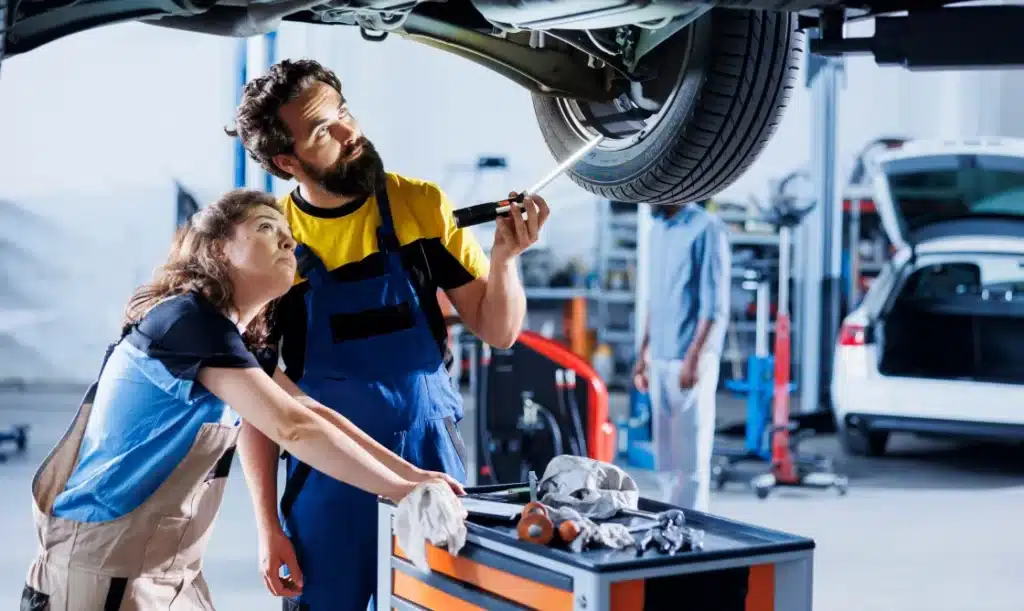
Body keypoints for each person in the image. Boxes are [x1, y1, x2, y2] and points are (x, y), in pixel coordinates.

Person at [20, 190, 462, 611]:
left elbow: (310, 411)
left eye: (287, 233)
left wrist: (416, 475)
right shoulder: (188, 322)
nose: (288, 239)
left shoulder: (232, 342)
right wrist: (405, 491)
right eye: (266, 228)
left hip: (167, 567)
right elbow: (294, 428)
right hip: (102, 568)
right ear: (217, 251)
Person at [227, 58, 549, 610]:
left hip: (431, 457)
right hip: (328, 472)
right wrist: (267, 528)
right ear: (287, 160)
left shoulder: (419, 205)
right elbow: (257, 407)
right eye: (324, 130)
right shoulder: (274, 245)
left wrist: (505, 258)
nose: (351, 133)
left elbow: (499, 330)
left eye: (344, 113)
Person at [632, 199, 731, 513]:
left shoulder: (707, 228)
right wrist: (643, 352)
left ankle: (691, 527)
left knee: (690, 460)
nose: (646, 203)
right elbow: (654, 299)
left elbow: (714, 306)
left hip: (690, 358)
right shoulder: (656, 230)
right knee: (665, 458)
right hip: (660, 354)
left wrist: (694, 358)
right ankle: (669, 522)